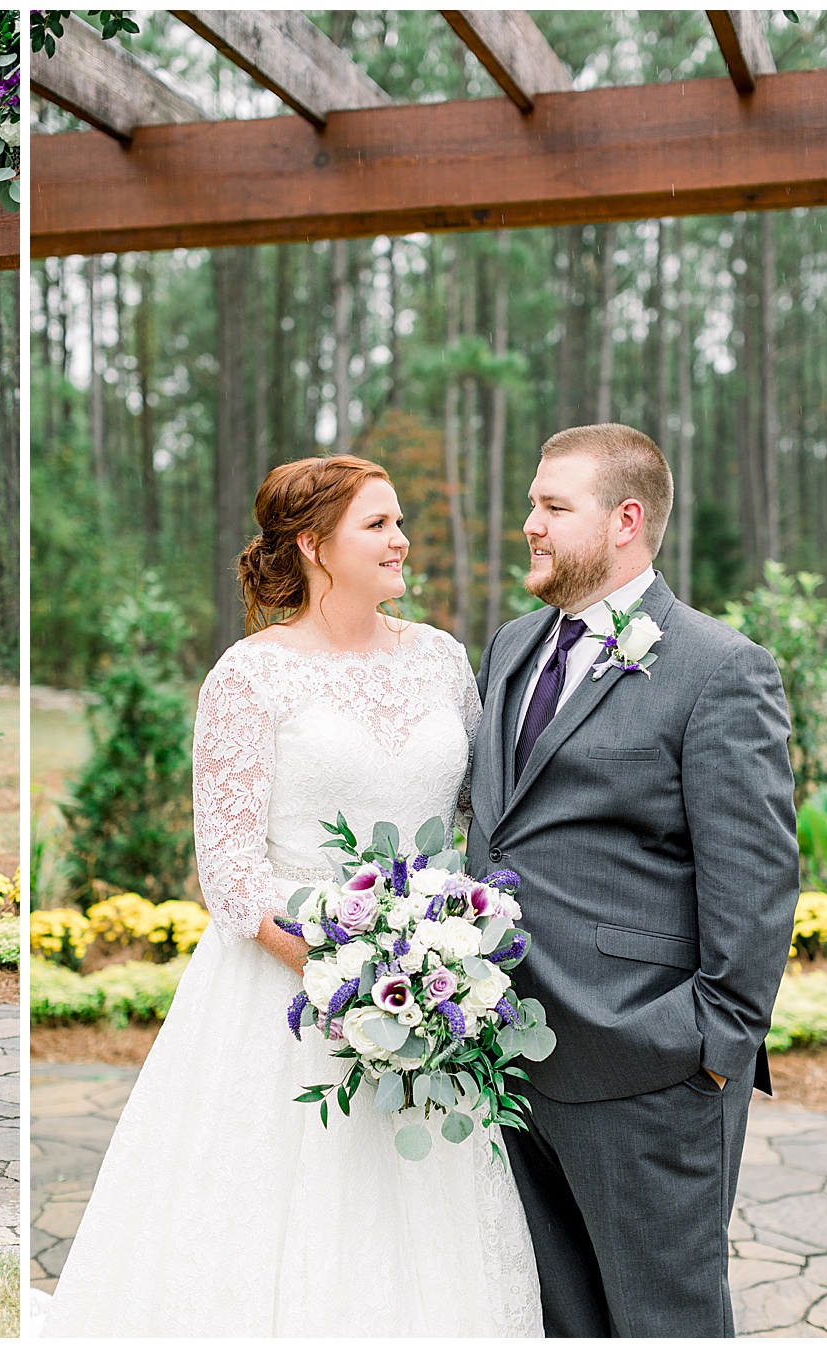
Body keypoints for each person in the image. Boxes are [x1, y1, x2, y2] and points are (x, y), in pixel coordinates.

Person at [38, 456, 542, 1337]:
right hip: (286, 999)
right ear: (313, 544)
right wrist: (347, 980)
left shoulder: (441, 659)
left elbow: (476, 819)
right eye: (377, 524)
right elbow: (230, 872)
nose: (401, 539)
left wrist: (440, 966)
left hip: (431, 993)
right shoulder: (250, 676)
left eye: (399, 521)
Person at [467, 425, 798, 1337]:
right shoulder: (511, 648)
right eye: (531, 503)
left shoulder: (719, 668)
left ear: (625, 520)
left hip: (647, 1070)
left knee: (664, 1323)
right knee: (559, 1321)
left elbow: (758, 882)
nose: (529, 524)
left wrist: (708, 1049)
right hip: (508, 1062)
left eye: (552, 506)